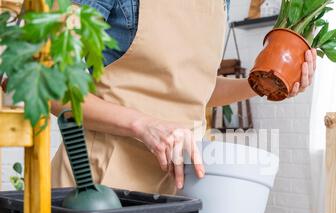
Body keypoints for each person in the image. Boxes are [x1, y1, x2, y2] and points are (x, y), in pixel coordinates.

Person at [51, 0, 317, 195]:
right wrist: (143, 125)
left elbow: (193, 87)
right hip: (99, 184)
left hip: (178, 189)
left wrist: (260, 85)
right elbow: (49, 84)